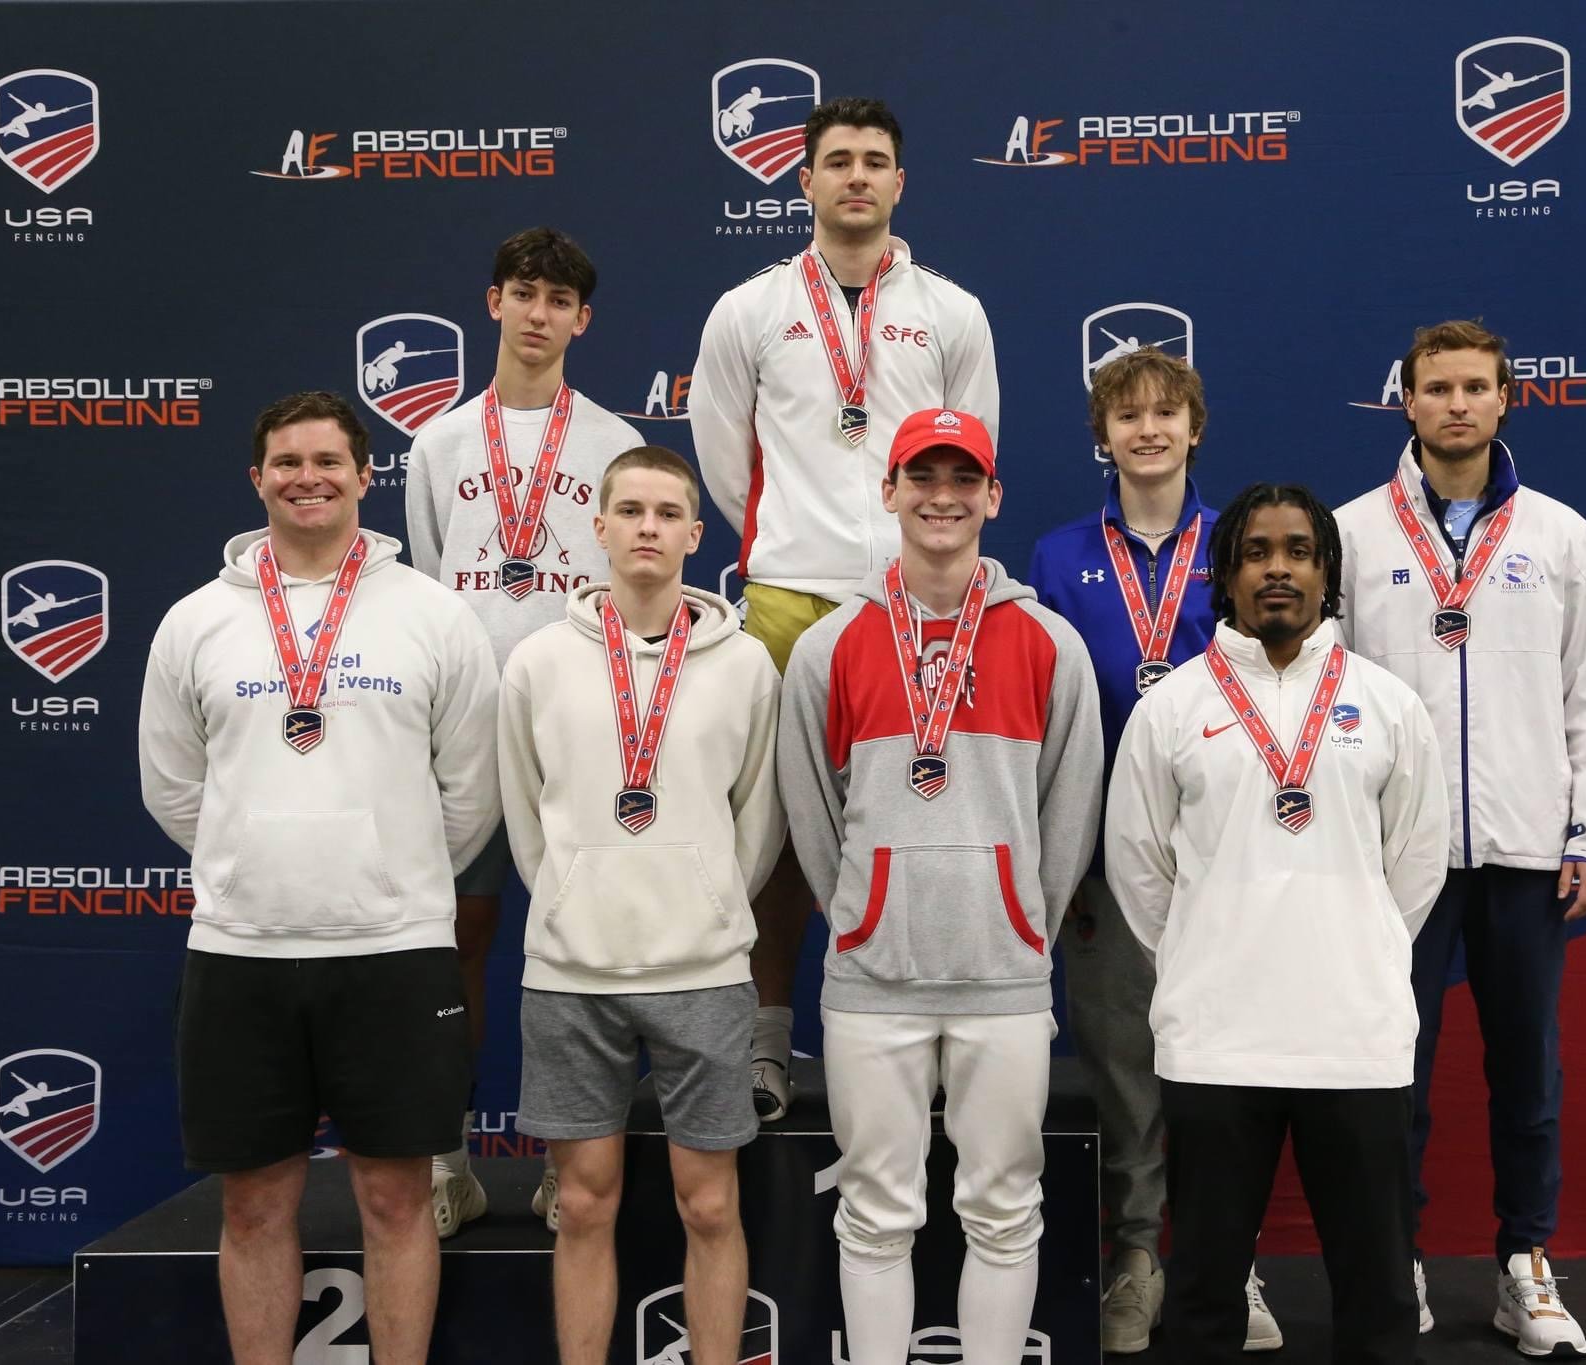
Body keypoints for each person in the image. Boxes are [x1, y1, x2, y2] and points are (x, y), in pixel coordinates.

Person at [139, 391, 499, 1365]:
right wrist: (256, 857)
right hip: (243, 953)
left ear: (364, 476)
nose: (308, 477)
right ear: (256, 478)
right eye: (287, 462)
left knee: (395, 1196)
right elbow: (176, 790)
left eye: (329, 461)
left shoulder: (433, 615)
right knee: (254, 1202)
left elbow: (469, 791)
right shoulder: (195, 622)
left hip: (395, 951)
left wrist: (388, 868)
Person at [691, 96, 1000, 1123]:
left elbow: (970, 458)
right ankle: (768, 1042)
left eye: (874, 161)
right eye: (836, 162)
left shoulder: (951, 311)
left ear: (899, 183)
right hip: (784, 597)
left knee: (921, 812)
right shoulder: (748, 309)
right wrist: (797, 545)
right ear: (805, 181)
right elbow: (725, 459)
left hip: (913, 602)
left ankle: (931, 1038)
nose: (856, 176)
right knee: (771, 834)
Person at [777, 408, 1100, 1363]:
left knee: (1004, 1210)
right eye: (924, 476)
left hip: (1003, 978)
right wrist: (870, 913)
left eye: (965, 479)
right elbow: (813, 821)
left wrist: (1014, 919)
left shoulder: (1049, 644)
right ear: (890, 491)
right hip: (873, 981)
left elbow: (1067, 818)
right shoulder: (829, 648)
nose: (943, 496)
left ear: (993, 497)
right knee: (876, 1213)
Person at [1336, 320, 1586, 1356]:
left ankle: (1524, 1264)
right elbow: (1325, 702)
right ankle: (1393, 1265)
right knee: (1387, 1075)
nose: (1455, 404)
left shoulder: (1558, 535)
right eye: (1435, 387)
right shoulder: (1351, 534)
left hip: (1524, 852)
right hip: (1392, 861)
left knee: (1526, 1073)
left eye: (1473, 387)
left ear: (1505, 400)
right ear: (1403, 401)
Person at [1107, 482, 1448, 1365]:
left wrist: (1356, 943)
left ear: (1328, 572)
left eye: (1299, 551)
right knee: (1206, 1296)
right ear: (1226, 573)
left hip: (1356, 1037)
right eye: (1257, 552)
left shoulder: (1388, 705)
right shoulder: (1173, 708)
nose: (1278, 570)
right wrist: (1201, 951)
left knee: (1376, 1296)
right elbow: (1140, 869)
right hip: (1217, 1039)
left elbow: (1412, 868)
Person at [497, 446, 784, 1365]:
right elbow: (522, 812)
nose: (648, 528)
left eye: (668, 513)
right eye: (631, 511)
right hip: (573, 972)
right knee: (582, 1202)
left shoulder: (744, 665)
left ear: (698, 535)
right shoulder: (539, 661)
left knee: (711, 1203)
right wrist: (580, 897)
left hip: (702, 968)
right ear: (601, 526)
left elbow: (758, 820)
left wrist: (702, 898)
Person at [1029, 348, 1289, 1353]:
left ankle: (1229, 1266)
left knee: (1227, 1072)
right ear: (1102, 435)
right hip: (1100, 858)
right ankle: (1134, 1258)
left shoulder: (1242, 546)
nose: (1145, 431)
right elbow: (1047, 719)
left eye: (1164, 414)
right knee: (1126, 1072)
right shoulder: (1055, 557)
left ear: (1194, 427)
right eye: (1125, 416)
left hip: (1225, 858)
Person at [405, 226, 646, 1235]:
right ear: (492, 301)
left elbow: (628, 591)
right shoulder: (438, 444)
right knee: (455, 941)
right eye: (525, 294)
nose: (540, 314)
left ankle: (568, 1162)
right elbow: (426, 590)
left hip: (574, 733)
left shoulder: (613, 443)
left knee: (572, 948)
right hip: (462, 733)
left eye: (560, 301)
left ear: (581, 321)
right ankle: (446, 1160)